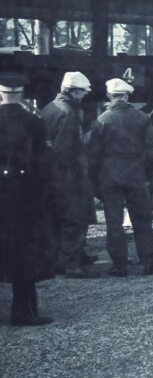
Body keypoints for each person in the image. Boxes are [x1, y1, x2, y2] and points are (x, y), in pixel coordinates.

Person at [88, 78, 153, 277]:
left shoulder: (102, 120)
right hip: (137, 176)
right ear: (127, 96)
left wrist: (94, 181)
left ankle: (119, 265)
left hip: (110, 177)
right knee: (142, 220)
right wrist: (150, 174)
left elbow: (93, 155)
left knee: (114, 222)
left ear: (109, 96)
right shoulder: (142, 118)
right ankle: (148, 263)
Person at [0, 72, 55, 326]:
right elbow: (43, 167)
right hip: (23, 198)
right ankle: (22, 312)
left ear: (1, 94)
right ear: (21, 94)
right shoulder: (34, 122)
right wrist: (42, 199)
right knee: (22, 254)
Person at [41, 71, 97, 278]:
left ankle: (61, 259)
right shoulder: (69, 114)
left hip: (51, 175)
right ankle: (72, 264)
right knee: (75, 219)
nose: (84, 95)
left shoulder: (49, 108)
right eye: (82, 92)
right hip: (68, 176)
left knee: (55, 219)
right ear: (73, 91)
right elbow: (64, 151)